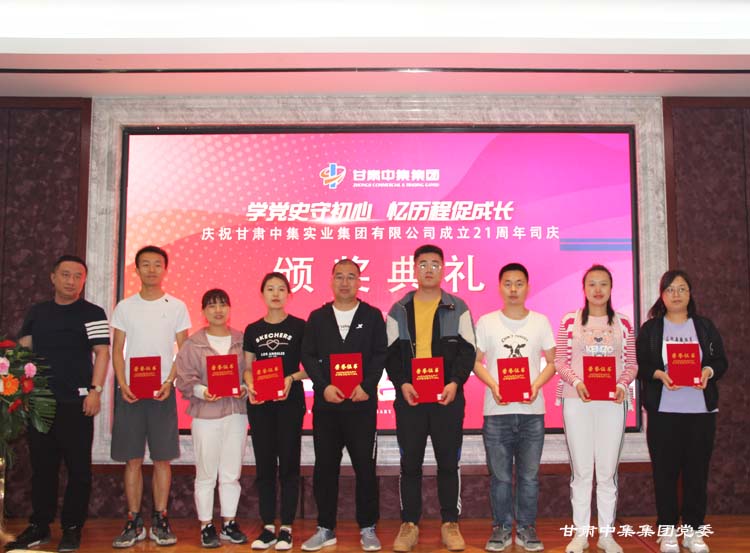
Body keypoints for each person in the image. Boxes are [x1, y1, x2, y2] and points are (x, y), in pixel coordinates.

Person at [9, 255, 110, 552]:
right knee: (43, 469)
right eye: (65, 275)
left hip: (77, 403)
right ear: (53, 277)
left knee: (79, 470)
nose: (71, 281)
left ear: (84, 281)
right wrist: (21, 392)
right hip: (40, 404)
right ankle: (39, 526)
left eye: (78, 276)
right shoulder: (37, 312)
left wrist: (95, 391)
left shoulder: (93, 312)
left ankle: (72, 528)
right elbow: (22, 352)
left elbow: (102, 353)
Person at [386, 244, 476, 553]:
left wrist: (455, 383)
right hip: (410, 398)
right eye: (423, 264)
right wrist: (402, 383)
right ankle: (409, 524)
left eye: (435, 264)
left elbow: (468, 350)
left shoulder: (458, 307)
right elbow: (390, 354)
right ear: (414, 269)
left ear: (443, 269)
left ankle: (450, 523)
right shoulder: (399, 309)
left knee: (448, 462)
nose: (429, 269)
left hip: (446, 398)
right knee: (409, 463)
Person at [636, 270, 727, 553]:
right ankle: (667, 532)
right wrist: (659, 374)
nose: (676, 294)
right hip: (664, 413)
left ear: (690, 294)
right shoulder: (651, 329)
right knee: (664, 474)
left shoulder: (704, 326)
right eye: (670, 289)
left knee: (696, 474)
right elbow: (642, 364)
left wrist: (707, 371)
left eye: (682, 289)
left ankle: (693, 532)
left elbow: (720, 361)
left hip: (700, 414)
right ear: (662, 295)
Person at [299, 259, 387, 552]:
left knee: (365, 468)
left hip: (362, 407)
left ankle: (368, 527)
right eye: (339, 276)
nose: (345, 282)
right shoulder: (318, 317)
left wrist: (367, 385)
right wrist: (323, 386)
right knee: (325, 469)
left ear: (359, 281)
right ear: (331, 281)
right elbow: (308, 355)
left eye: (351, 277)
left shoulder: (372, 316)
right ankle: (325, 528)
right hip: (328, 408)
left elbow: (380, 354)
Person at [110, 245, 191, 548]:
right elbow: (117, 349)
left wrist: (170, 381)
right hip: (130, 393)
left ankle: (160, 519)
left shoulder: (177, 306)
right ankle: (133, 521)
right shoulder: (125, 307)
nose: (152, 269)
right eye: (146, 264)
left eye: (158, 264)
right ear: (137, 269)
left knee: (162, 459)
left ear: (165, 269)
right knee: (131, 459)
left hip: (161, 394)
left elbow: (183, 351)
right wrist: (122, 383)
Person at [554, 264, 637, 553]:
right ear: (584, 288)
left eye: (603, 284)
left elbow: (631, 363)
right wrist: (577, 382)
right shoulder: (569, 321)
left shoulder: (624, 323)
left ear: (611, 288)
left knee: (606, 472)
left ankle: (606, 535)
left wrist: (622, 385)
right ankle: (580, 534)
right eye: (592, 284)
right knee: (581, 472)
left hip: (612, 404)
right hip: (577, 402)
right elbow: (560, 361)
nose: (598, 289)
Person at [473, 263, 555, 552]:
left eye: (519, 283)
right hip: (497, 412)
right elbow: (475, 362)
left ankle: (526, 528)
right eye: (507, 283)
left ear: (527, 287)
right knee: (500, 477)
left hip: (532, 413)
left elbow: (553, 362)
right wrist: (494, 385)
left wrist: (536, 385)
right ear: (500, 287)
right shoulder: (487, 322)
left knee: (529, 477)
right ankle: (502, 527)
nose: (513, 289)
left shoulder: (540, 322)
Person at [175, 289, 249, 549]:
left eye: (222, 305)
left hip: (236, 413)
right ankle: (206, 525)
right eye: (212, 306)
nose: (218, 310)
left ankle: (229, 523)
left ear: (230, 308)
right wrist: (202, 391)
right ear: (203, 311)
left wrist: (245, 388)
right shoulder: (193, 343)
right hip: (206, 415)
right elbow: (184, 379)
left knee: (231, 473)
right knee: (206, 473)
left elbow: (251, 372)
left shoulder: (242, 340)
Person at [243, 273, 307, 551]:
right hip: (261, 405)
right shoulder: (252, 329)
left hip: (289, 402)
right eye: (270, 289)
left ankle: (287, 527)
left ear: (289, 294)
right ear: (262, 294)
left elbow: (311, 367)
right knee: (265, 465)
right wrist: (250, 384)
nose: (276, 294)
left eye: (281, 289)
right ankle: (268, 526)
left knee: (289, 464)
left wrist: (291, 378)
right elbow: (248, 366)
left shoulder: (300, 326)